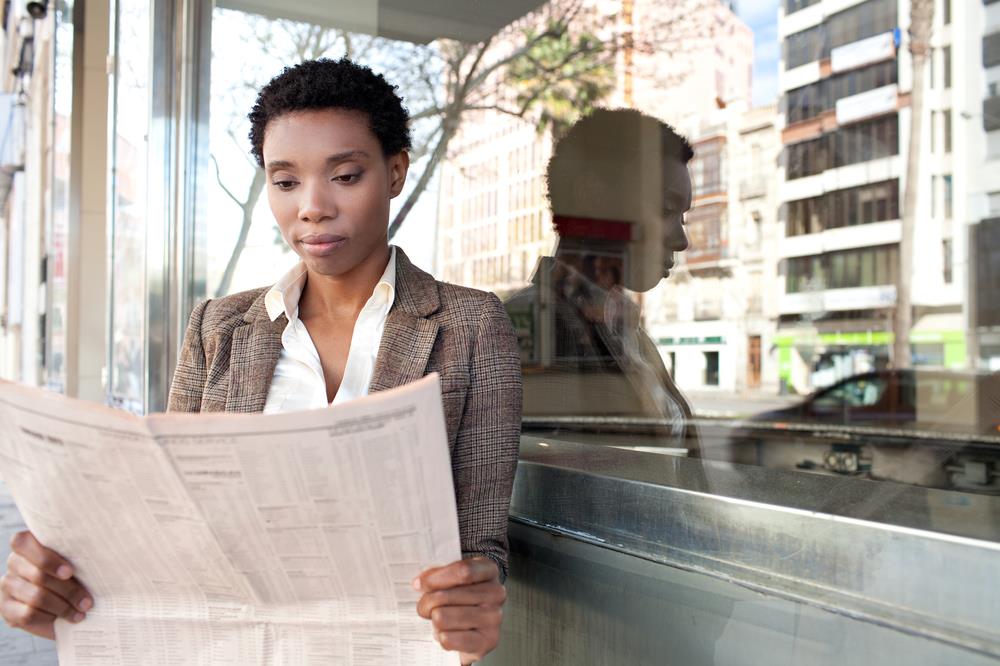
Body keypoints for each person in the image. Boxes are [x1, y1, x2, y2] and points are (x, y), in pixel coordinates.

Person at [0, 58, 521, 664]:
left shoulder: (472, 326)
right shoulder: (218, 328)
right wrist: (66, 589)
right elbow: (174, 529)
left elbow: (481, 541)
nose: (313, 207)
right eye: (285, 181)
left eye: (346, 176)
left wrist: (476, 593)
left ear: (396, 170)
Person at [504, 107, 698, 453]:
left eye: (681, 216)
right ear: (595, 200)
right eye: (667, 210)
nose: (681, 240)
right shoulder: (532, 325)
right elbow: (545, 490)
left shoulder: (629, 334)